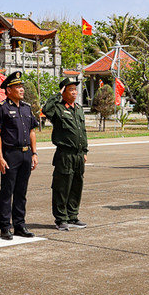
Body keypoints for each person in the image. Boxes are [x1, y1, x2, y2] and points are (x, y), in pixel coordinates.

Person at [0, 71, 38, 240]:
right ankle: (5, 226)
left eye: (21, 86)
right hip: (10, 154)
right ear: (8, 90)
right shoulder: (2, 108)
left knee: (21, 191)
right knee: (7, 191)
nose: (21, 89)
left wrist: (34, 153)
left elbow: (32, 131)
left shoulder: (26, 108)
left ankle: (20, 224)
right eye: (17, 86)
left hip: (26, 154)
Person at [43, 76, 90, 227]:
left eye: (75, 89)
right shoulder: (58, 108)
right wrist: (57, 94)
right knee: (62, 187)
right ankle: (61, 218)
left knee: (77, 185)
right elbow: (46, 109)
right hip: (65, 154)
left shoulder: (78, 109)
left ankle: (73, 216)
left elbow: (82, 132)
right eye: (70, 90)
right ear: (63, 92)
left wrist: (84, 151)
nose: (74, 92)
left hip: (78, 155)